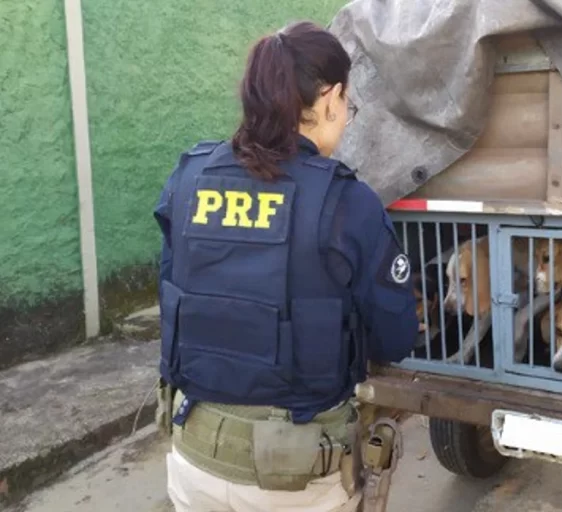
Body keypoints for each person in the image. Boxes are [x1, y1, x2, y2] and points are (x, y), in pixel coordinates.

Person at [152, 20, 418, 512]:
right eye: (349, 106)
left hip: (194, 461)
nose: (346, 116)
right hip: (295, 481)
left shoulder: (188, 179)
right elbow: (395, 338)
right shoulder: (347, 203)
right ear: (331, 98)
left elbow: (176, 292)